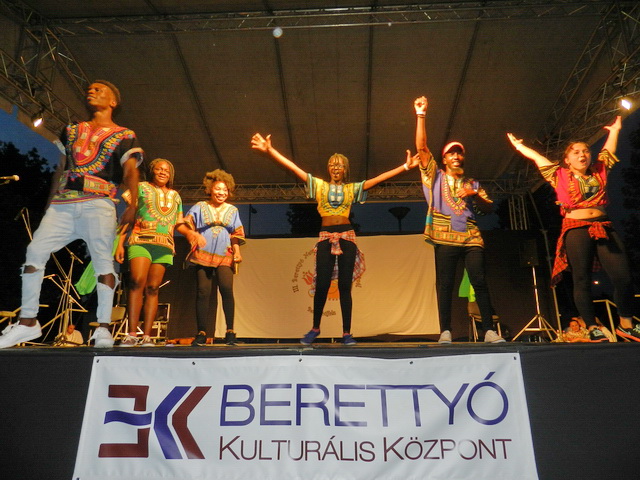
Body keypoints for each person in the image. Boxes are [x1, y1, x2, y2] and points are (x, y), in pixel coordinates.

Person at [0, 80, 142, 349]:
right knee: (35, 251)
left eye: (100, 90)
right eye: (90, 89)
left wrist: (133, 205)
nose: (92, 91)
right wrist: (49, 204)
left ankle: (103, 328)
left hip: (99, 203)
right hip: (63, 204)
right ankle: (28, 321)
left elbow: (131, 171)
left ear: (113, 102)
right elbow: (61, 166)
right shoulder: (72, 129)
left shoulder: (124, 135)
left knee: (103, 263)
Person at [251, 132, 419, 345]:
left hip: (347, 235)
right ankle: (315, 328)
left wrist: (405, 167)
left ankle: (346, 333)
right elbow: (294, 169)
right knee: (322, 284)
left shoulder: (351, 189)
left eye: (339, 165)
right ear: (328, 168)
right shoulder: (320, 186)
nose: (335, 168)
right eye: (332, 165)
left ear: (345, 169)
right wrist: (270, 150)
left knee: (344, 286)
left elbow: (378, 179)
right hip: (325, 236)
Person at [507, 116, 638, 342]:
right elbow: (538, 158)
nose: (582, 154)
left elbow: (608, 150)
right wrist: (520, 147)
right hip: (576, 228)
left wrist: (615, 130)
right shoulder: (558, 175)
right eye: (576, 152)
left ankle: (626, 323)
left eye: (585, 151)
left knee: (623, 276)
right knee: (581, 278)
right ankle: (591, 326)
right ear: (567, 160)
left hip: (603, 225)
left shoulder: (599, 171)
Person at [413, 96, 505, 344]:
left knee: (479, 280)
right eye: (451, 153)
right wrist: (421, 115)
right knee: (446, 284)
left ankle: (489, 330)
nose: (455, 155)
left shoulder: (472, 183)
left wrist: (475, 194)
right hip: (444, 235)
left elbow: (489, 208)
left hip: (471, 235)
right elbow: (422, 148)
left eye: (459, 153)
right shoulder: (435, 176)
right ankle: (446, 330)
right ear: (444, 159)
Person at [115, 158, 202, 346]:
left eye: (166, 170)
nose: (163, 172)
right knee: (137, 282)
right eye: (159, 169)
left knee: (153, 288)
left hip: (164, 246)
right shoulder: (141, 188)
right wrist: (120, 243)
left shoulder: (175, 196)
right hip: (141, 240)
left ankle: (147, 336)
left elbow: (178, 223)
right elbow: (129, 216)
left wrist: (190, 233)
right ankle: (132, 334)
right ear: (152, 171)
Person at [184, 170, 245, 346]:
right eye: (218, 189)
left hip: (224, 253)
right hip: (203, 253)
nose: (221, 193)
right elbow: (186, 225)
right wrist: (193, 236)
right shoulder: (200, 206)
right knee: (203, 292)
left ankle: (230, 331)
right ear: (210, 189)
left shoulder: (232, 210)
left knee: (226, 289)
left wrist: (237, 252)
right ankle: (202, 332)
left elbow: (236, 233)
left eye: (225, 190)